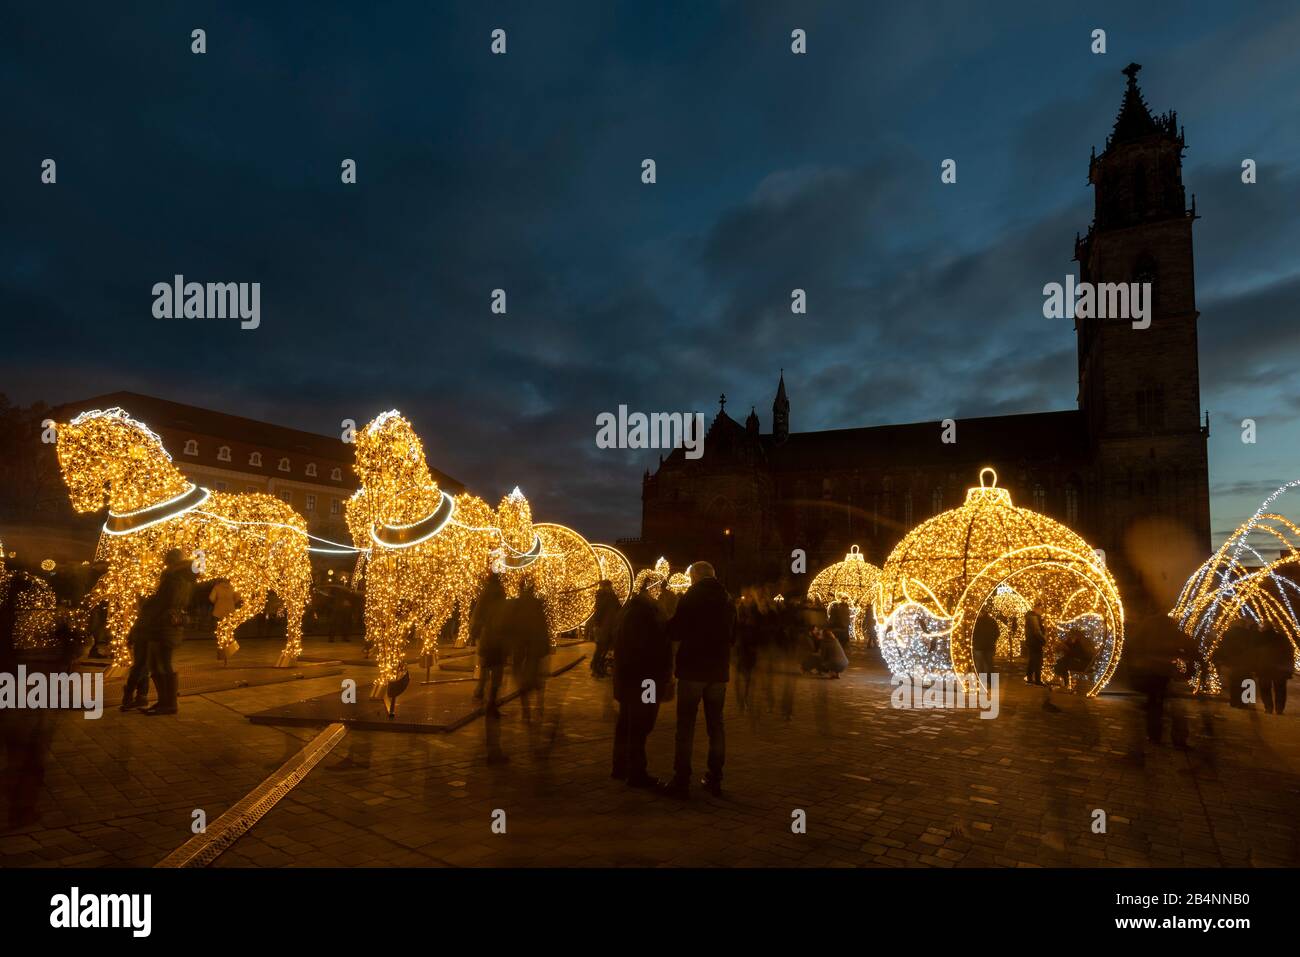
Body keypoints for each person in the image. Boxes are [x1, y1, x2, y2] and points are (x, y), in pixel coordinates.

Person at [663, 562, 734, 799]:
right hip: (718, 672)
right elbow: (734, 635)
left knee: (686, 726)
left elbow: (675, 631)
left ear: (694, 575)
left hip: (693, 669)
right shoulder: (727, 598)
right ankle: (715, 778)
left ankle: (681, 779)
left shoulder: (691, 597)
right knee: (716, 725)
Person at [611, 579, 672, 787]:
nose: (661, 592)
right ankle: (637, 772)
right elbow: (648, 648)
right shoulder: (645, 613)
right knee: (642, 722)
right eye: (658, 588)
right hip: (645, 679)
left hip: (631, 678)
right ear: (650, 589)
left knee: (627, 722)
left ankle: (620, 767)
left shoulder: (631, 609)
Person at [140, 549, 194, 716]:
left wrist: (147, 605)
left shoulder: (173, 578)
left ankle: (168, 703)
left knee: (161, 663)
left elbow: (163, 601)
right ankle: (164, 701)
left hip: (163, 624)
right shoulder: (183, 577)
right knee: (159, 663)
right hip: (168, 623)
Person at [1127, 611, 1192, 746]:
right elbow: (1185, 644)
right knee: (1165, 704)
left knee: (1156, 704)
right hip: (1162, 671)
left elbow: (1134, 643)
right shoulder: (1170, 625)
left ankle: (1155, 735)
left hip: (1153, 670)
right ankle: (1174, 738)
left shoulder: (1149, 623)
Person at [509, 579, 551, 723]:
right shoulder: (538, 604)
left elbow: (511, 626)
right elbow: (543, 626)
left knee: (520, 675)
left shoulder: (516, 604)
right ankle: (539, 705)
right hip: (536, 646)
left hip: (520, 646)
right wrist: (546, 647)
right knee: (538, 675)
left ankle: (525, 708)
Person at [470, 574, 508, 714]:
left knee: (486, 668)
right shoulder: (498, 593)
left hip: (488, 638)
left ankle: (481, 694)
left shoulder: (486, 593)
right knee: (496, 672)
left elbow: (477, 614)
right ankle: (489, 700)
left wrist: (475, 633)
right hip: (496, 639)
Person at [1254, 620, 1293, 715]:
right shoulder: (1281, 638)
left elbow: (1254, 654)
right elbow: (1289, 653)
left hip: (1264, 667)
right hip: (1279, 667)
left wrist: (1254, 666)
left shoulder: (1258, 639)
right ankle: (1279, 708)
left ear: (1263, 628)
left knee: (1265, 688)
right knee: (1280, 689)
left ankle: (1268, 707)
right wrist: (1288, 667)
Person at [588, 579, 620, 678]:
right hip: (603, 626)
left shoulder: (611, 596)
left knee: (605, 648)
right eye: (609, 586)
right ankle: (595, 667)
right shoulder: (603, 596)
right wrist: (597, 625)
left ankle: (599, 666)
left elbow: (618, 608)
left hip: (609, 625)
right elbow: (599, 611)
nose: (610, 588)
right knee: (601, 647)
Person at [1023, 602, 1046, 685]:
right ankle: (1037, 680)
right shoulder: (1033, 618)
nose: (1042, 611)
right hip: (1035, 642)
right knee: (1038, 661)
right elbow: (1037, 631)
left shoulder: (1031, 617)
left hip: (1032, 642)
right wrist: (1043, 640)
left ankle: (1030, 678)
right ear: (1036, 609)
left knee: (1032, 661)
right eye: (1041, 609)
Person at [972, 610, 998, 683]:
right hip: (989, 646)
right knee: (990, 664)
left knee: (980, 665)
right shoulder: (992, 621)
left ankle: (982, 681)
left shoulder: (976, 622)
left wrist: (974, 642)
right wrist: (992, 641)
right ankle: (991, 681)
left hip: (978, 647)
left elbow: (973, 634)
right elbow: (997, 633)